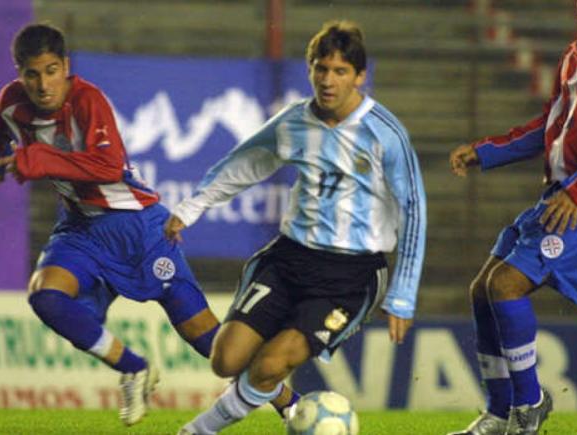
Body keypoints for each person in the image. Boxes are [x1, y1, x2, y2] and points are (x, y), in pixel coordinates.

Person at [0, 23, 296, 427]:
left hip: (138, 230)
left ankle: (291, 403)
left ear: (65, 67)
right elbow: (4, 129)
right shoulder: (13, 102)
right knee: (45, 296)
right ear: (19, 73)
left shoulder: (87, 100)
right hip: (81, 231)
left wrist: (35, 158)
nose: (43, 84)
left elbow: (107, 166)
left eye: (51, 70)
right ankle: (133, 368)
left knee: (206, 339)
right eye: (31, 74)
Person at [169, 20, 426, 435]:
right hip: (290, 258)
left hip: (350, 275)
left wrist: (404, 292)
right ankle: (286, 404)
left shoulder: (385, 133)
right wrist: (194, 205)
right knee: (226, 360)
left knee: (270, 363)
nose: (328, 80)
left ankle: (197, 431)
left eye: (340, 71)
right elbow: (247, 161)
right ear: (310, 70)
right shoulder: (294, 122)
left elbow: (414, 210)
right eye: (321, 69)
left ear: (360, 76)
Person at [446, 1, 577, 434]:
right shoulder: (573, 56)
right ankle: (499, 414)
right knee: (482, 289)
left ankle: (529, 406)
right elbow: (549, 126)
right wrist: (487, 152)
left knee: (505, 285)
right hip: (564, 196)